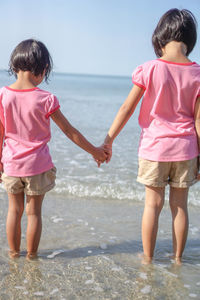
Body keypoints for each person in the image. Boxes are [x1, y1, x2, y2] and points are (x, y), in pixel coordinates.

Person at [102, 9, 200, 263]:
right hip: (186, 149)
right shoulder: (197, 73)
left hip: (155, 148)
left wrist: (108, 140)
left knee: (152, 206)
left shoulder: (149, 69)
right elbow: (199, 120)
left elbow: (127, 108)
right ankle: (178, 259)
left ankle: (148, 258)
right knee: (180, 206)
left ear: (160, 37)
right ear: (190, 39)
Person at [0, 39, 107, 259]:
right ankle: (31, 256)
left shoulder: (3, 95)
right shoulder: (46, 99)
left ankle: (13, 254)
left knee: (14, 211)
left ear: (14, 65)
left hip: (11, 165)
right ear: (43, 69)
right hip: (37, 167)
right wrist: (95, 151)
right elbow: (70, 131)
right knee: (33, 213)